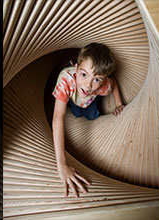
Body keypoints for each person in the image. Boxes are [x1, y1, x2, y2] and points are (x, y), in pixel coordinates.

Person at [52, 43, 124, 198]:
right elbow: (58, 117)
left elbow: (114, 84)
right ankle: (75, 107)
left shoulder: (103, 86)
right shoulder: (66, 80)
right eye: (84, 74)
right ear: (77, 69)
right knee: (76, 113)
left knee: (92, 116)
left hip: (91, 101)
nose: (88, 84)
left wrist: (118, 104)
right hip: (72, 96)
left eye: (96, 79)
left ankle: (86, 108)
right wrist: (62, 165)